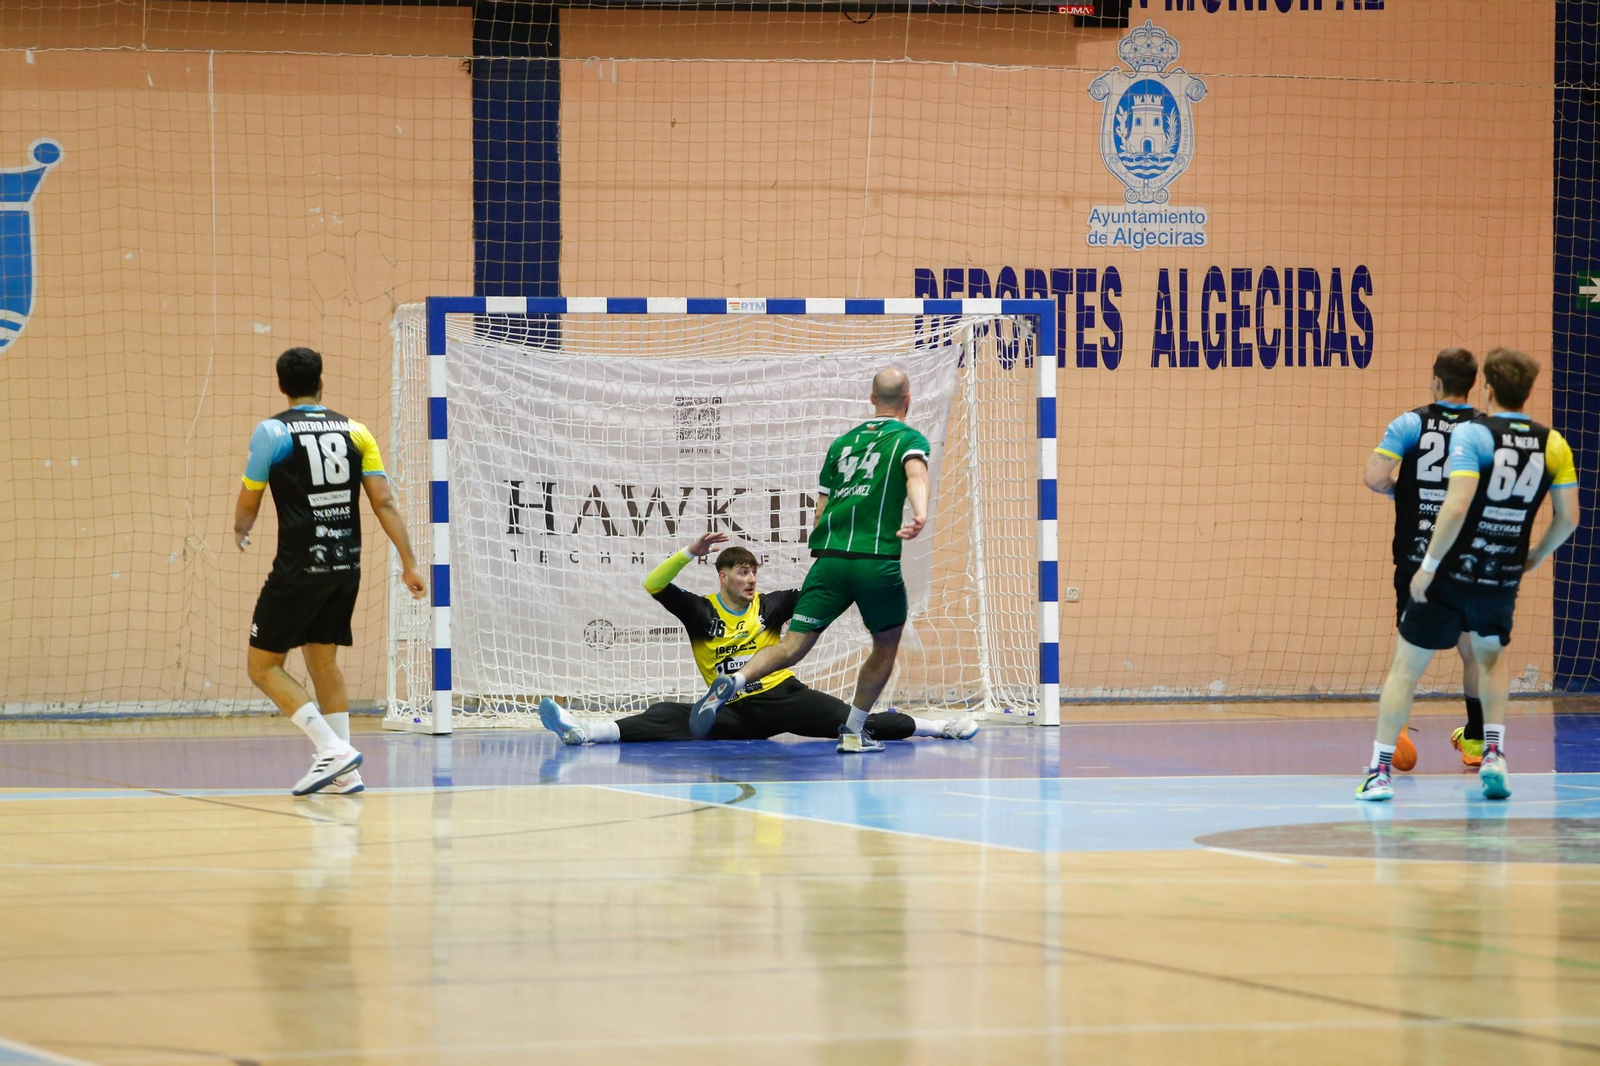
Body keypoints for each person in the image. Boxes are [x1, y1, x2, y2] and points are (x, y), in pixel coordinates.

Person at [1356, 349, 1580, 802]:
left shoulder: (1472, 434)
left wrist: (1429, 563)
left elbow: (1453, 504)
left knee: (1406, 667)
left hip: (1445, 562)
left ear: (1488, 389)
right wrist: (1537, 555)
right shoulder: (1553, 442)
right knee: (1487, 659)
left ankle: (1380, 770)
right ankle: (1490, 750)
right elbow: (1569, 517)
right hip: (1500, 571)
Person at [685, 367, 933, 752]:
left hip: (829, 561)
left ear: (872, 399)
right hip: (874, 560)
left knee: (792, 645)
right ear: (908, 399)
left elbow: (819, 512)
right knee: (885, 646)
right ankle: (853, 733)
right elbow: (916, 475)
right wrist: (920, 512)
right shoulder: (908, 439)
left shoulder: (841, 445)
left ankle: (735, 680)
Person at [537, 531, 978, 745]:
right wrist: (690, 551)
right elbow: (653, 583)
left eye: (754, 572)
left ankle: (939, 728)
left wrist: (854, 574)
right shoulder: (700, 611)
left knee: (857, 724)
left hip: (782, 697)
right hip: (734, 712)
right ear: (722, 575)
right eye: (743, 572)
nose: (751, 579)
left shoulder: (772, 605)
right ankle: (585, 731)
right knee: (669, 716)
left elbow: (822, 595)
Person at [234, 346, 427, 796]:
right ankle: (346, 774)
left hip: (298, 568)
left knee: (262, 667)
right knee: (323, 661)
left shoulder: (272, 432)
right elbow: (383, 501)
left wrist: (241, 529)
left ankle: (332, 750)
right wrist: (409, 563)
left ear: (281, 387)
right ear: (322, 382)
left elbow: (250, 498)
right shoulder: (356, 431)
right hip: (345, 566)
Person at [1363, 347, 1481, 769]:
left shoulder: (1410, 423)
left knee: (1407, 657)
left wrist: (1404, 493)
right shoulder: (1486, 429)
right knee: (1474, 652)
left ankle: (1391, 738)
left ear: (1436, 381)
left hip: (1417, 555)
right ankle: (1476, 741)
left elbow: (1373, 476)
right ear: (1472, 384)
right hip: (1467, 558)